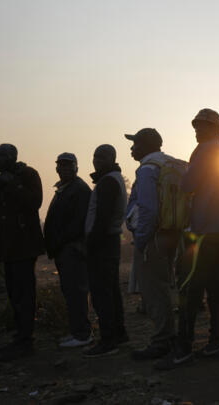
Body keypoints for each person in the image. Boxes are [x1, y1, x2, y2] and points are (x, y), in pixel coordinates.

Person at [155, 108, 219, 370]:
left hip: (200, 231)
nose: (196, 130)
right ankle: (216, 342)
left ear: (213, 127)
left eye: (201, 126)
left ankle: (183, 348)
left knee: (189, 289)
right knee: (216, 290)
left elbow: (188, 184)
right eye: (196, 126)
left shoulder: (203, 151)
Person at [124, 128, 178, 360]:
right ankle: (171, 337)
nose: (131, 148)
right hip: (172, 234)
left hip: (153, 238)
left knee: (154, 291)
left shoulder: (147, 170)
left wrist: (142, 241)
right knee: (165, 288)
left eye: (135, 143)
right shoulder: (167, 164)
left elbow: (148, 209)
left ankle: (160, 342)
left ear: (145, 145)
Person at [0, 143, 45, 361]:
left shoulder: (28, 174)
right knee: (13, 293)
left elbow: (34, 203)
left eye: (2, 156)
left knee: (24, 293)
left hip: (24, 245)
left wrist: (12, 184)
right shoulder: (0, 179)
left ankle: (26, 339)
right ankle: (20, 335)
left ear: (13, 157)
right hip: (8, 246)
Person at [82, 144, 129, 357]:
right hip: (109, 241)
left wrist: (90, 244)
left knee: (101, 293)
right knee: (110, 291)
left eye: (102, 156)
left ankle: (108, 340)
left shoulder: (108, 181)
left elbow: (102, 218)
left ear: (112, 158)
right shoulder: (111, 179)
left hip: (103, 242)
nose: (96, 160)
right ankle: (119, 334)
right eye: (95, 156)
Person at [43, 153, 93, 348]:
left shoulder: (79, 190)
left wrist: (60, 242)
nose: (64, 169)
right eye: (61, 166)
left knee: (76, 291)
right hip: (65, 249)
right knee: (71, 292)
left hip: (73, 249)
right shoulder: (64, 189)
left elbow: (79, 223)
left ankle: (82, 334)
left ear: (76, 168)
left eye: (68, 166)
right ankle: (77, 331)